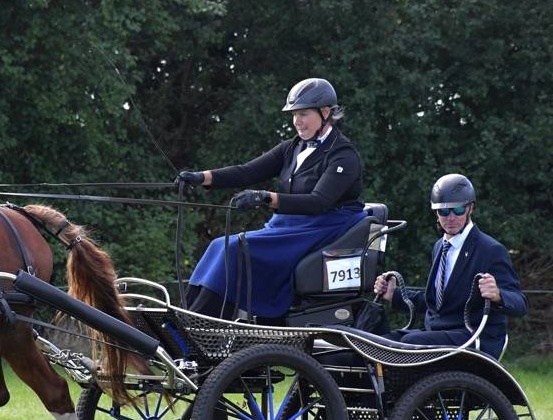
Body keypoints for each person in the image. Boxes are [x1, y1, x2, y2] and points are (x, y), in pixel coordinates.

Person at [176, 78, 366, 318]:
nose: (297, 121)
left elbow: (318, 202)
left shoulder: (343, 155)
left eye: (303, 114)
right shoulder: (292, 147)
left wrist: (266, 198)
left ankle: (201, 322)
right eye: (294, 115)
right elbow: (247, 172)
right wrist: (201, 177)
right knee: (218, 245)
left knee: (234, 249)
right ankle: (187, 315)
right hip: (289, 225)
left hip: (322, 228)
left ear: (326, 112)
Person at [373, 174, 528, 359]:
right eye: (444, 212)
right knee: (378, 341)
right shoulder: (440, 246)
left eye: (458, 210)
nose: (451, 218)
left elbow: (520, 304)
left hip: (471, 336)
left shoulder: (491, 250)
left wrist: (498, 295)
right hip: (437, 334)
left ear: (470, 208)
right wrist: (394, 294)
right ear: (436, 213)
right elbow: (437, 304)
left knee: (409, 343)